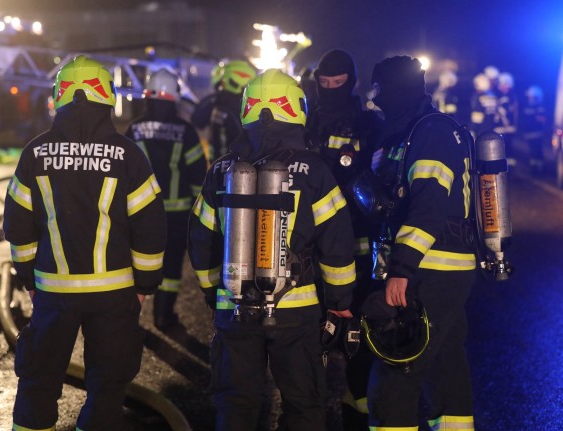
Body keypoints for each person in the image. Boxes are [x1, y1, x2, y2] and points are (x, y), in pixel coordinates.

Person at [3, 55, 167, 431]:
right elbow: (151, 228)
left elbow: (18, 225)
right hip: (114, 294)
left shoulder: (35, 153)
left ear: (59, 97)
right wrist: (144, 286)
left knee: (38, 381)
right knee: (107, 387)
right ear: (107, 97)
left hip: (52, 291)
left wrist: (29, 278)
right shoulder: (128, 155)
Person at [188, 69, 357, 430]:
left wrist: (210, 289)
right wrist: (340, 303)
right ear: (296, 109)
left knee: (235, 404)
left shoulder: (222, 169)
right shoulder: (314, 169)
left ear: (246, 110)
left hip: (234, 305)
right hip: (296, 310)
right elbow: (337, 242)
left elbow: (201, 236)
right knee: (303, 405)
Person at [366, 56, 477, 430]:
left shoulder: (430, 132)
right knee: (446, 364)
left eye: (379, 89)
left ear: (395, 89)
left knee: (399, 366)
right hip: (437, 267)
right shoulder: (406, 131)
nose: (375, 98)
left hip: (432, 268)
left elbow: (429, 207)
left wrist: (401, 270)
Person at [306, 48, 381, 431]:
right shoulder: (306, 120)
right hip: (310, 243)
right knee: (308, 332)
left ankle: (358, 410)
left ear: (351, 83)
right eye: (325, 83)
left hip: (357, 239)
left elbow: (379, 181)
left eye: (338, 84)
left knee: (358, 333)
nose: (331, 89)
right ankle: (308, 413)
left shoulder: (368, 125)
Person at [125, 68, 206, 330]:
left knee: (134, 264)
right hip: (177, 214)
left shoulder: (134, 129)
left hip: (138, 214)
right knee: (170, 266)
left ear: (147, 96)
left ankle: (129, 320)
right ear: (175, 98)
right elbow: (197, 174)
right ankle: (163, 316)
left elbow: (121, 172)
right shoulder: (186, 131)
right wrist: (198, 214)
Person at [198, 59, 256, 162]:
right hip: (237, 166)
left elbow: (198, 119)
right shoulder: (246, 106)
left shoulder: (216, 102)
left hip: (219, 165)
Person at [521, 85, 547, 174]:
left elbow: (542, 119)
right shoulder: (527, 107)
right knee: (532, 151)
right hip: (529, 133)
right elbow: (525, 120)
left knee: (537, 151)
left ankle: (539, 169)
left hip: (538, 134)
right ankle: (533, 168)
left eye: (531, 97)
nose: (529, 99)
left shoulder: (540, 108)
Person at [494, 72, 519, 166]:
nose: (500, 86)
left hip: (505, 128)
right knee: (505, 149)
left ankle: (508, 169)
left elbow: (508, 113)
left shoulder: (507, 97)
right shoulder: (510, 96)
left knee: (506, 148)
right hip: (504, 128)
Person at [469, 72, 497, 139]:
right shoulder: (492, 95)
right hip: (491, 127)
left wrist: (472, 129)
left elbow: (477, 115)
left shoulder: (478, 96)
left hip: (481, 129)